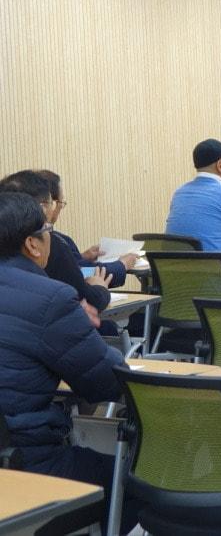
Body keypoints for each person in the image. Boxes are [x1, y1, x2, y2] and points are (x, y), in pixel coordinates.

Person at [0, 192, 135, 533]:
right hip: (28, 468)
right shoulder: (49, 299)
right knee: (132, 476)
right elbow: (106, 382)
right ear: (33, 245)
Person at [0, 170, 112, 316]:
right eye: (51, 203)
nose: (54, 208)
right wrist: (101, 288)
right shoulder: (57, 295)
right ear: (32, 245)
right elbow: (88, 299)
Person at [36, 169, 139, 288]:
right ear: (50, 204)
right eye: (60, 203)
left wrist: (81, 257)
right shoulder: (55, 241)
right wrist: (122, 264)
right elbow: (83, 274)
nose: (59, 208)